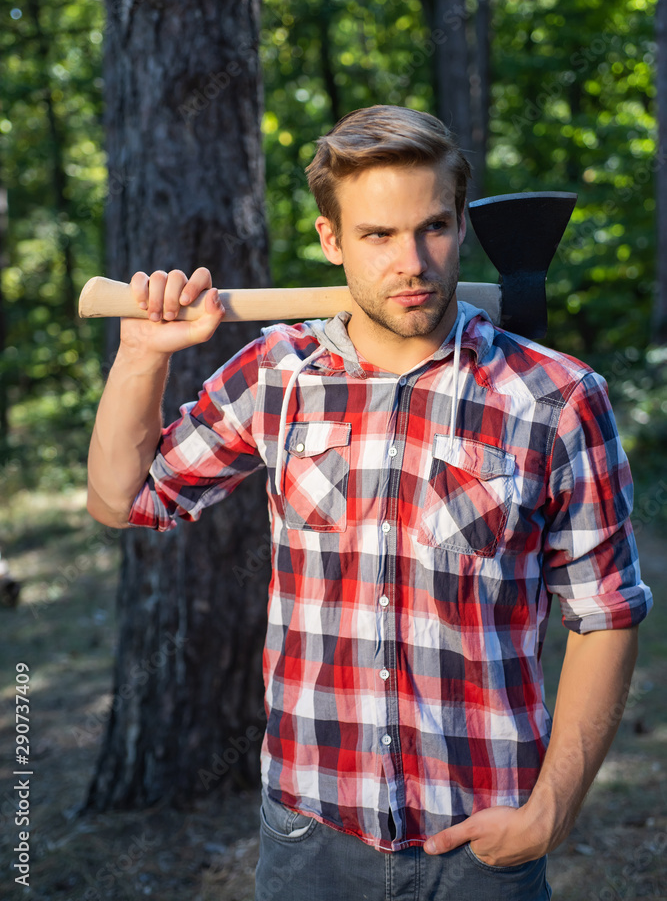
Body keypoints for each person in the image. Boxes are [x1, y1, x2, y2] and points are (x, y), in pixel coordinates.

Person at [87, 105, 652, 901]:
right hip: (310, 836)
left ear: (461, 224)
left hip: (483, 839)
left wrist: (551, 808)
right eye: (377, 236)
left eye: (432, 228)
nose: (412, 262)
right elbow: (123, 499)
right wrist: (142, 355)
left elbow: (604, 614)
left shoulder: (555, 398)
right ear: (331, 241)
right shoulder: (277, 375)